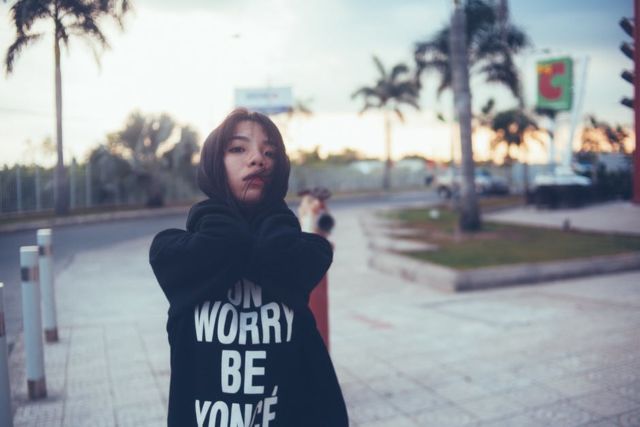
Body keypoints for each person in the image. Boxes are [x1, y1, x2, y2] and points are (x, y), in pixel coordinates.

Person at [149, 108, 348, 427]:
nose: (258, 159)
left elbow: (276, 252)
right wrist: (217, 211)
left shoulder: (302, 251)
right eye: (238, 148)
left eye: (270, 152)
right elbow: (222, 244)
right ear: (214, 164)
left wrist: (274, 215)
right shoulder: (175, 252)